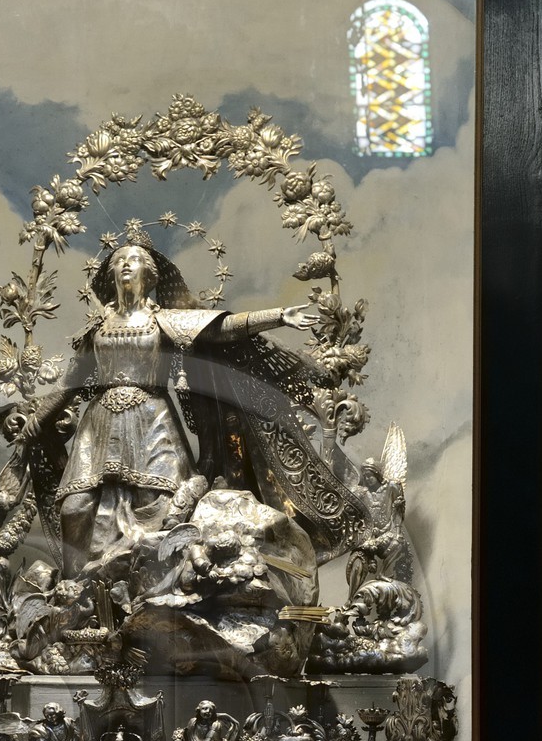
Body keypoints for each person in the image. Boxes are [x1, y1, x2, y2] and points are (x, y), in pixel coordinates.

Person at [21, 240, 319, 577]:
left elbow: (222, 328)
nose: (126, 265)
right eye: (119, 260)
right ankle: (74, 587)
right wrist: (37, 420)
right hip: (100, 423)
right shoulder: (96, 328)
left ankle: (147, 581)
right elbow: (69, 382)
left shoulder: (163, 321)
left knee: (158, 508)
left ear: (151, 277)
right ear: (111, 274)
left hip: (151, 420)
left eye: (134, 260)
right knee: (75, 507)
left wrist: (277, 316)